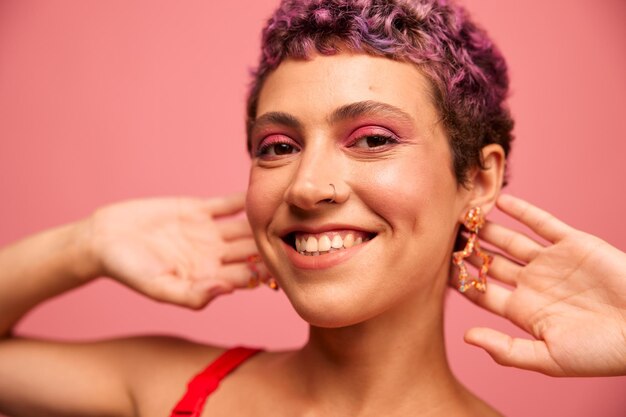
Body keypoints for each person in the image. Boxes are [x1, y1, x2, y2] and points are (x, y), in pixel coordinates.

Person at [0, 0, 625, 416]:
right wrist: (84, 244)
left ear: (478, 179)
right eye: (278, 147)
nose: (306, 186)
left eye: (374, 139)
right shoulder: (167, 388)